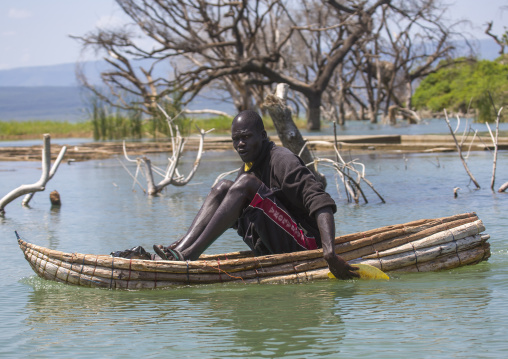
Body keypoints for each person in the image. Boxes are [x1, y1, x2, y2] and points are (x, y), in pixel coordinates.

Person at [152, 110, 359, 280]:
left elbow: (320, 202)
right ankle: (180, 250)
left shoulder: (282, 160)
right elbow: (224, 213)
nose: (240, 144)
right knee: (224, 187)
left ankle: (189, 255)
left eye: (246, 137)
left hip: (307, 245)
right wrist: (176, 244)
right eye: (235, 139)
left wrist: (330, 253)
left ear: (263, 135)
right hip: (275, 242)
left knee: (245, 183)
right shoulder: (248, 167)